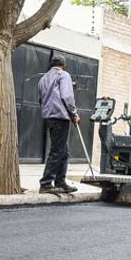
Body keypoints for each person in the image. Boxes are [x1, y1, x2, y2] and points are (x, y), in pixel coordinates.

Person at [38, 54, 80, 194]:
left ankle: (61, 182)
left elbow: (40, 99)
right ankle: (45, 183)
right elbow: (67, 96)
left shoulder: (43, 78)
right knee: (57, 151)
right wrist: (74, 113)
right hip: (60, 116)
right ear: (64, 64)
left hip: (49, 116)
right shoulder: (64, 75)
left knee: (64, 151)